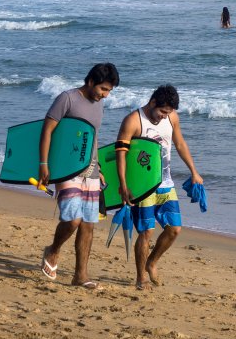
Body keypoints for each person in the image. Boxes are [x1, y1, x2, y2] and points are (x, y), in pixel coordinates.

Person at [38, 62, 120, 289]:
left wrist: (100, 168)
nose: (105, 95)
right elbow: (47, 130)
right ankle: (53, 250)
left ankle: (80, 276)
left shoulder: (99, 105)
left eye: (110, 91)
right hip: (67, 168)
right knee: (73, 219)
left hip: (91, 169)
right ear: (91, 81)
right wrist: (44, 164)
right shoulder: (67, 98)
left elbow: (90, 139)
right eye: (103, 89)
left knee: (88, 224)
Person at [115, 85, 203, 290]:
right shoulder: (133, 121)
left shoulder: (171, 118)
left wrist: (194, 171)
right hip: (143, 186)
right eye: (163, 111)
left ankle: (151, 262)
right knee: (146, 233)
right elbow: (120, 154)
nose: (164, 117)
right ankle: (140, 278)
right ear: (153, 102)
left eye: (169, 112)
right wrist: (123, 185)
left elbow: (180, 144)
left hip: (166, 183)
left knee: (174, 229)